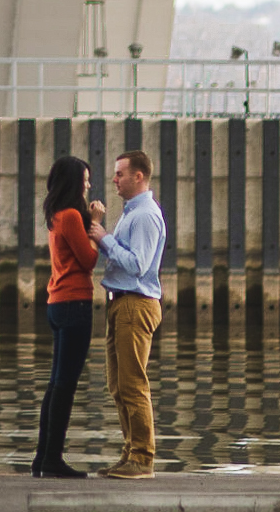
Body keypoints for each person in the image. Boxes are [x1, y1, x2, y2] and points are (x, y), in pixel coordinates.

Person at [87, 149, 166, 478]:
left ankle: (143, 458)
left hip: (136, 302)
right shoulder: (132, 212)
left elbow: (137, 265)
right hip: (122, 301)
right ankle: (130, 452)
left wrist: (103, 238)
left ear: (139, 176)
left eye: (120, 174)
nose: (114, 180)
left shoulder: (145, 215)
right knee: (118, 385)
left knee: (133, 384)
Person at [30, 155, 97, 478]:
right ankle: (53, 459)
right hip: (74, 304)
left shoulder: (57, 214)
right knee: (65, 385)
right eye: (85, 179)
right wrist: (96, 225)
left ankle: (42, 458)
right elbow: (88, 260)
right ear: (74, 182)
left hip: (57, 303)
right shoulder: (71, 215)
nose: (88, 184)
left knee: (56, 384)